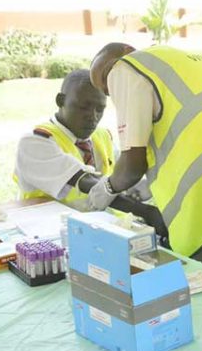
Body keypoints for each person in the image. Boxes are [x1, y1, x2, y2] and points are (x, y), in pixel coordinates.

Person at [89, 44, 202, 283]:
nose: (110, 90)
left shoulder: (126, 68)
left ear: (125, 52)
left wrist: (107, 188)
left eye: (107, 81)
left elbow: (132, 167)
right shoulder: (200, 57)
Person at [13, 69, 164, 232]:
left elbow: (119, 178)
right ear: (61, 101)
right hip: (50, 233)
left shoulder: (102, 136)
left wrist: (139, 186)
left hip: (100, 228)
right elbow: (88, 183)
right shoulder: (35, 142)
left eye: (100, 109)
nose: (93, 116)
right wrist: (145, 211)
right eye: (83, 107)